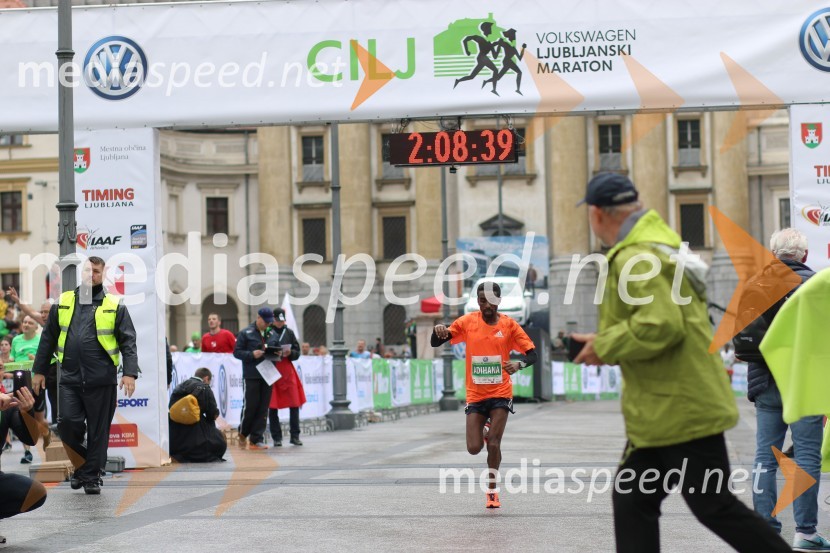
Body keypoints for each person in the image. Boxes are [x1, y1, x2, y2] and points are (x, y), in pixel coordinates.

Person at [570, 173, 789, 552]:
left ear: (597, 213)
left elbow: (662, 323)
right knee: (635, 499)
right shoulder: (660, 245)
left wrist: (606, 345)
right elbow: (669, 318)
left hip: (680, 407)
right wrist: (606, 341)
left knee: (710, 505)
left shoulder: (636, 255)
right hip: (667, 408)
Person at [738, 228, 829, 550]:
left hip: (766, 380)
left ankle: (764, 529)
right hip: (805, 382)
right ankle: (805, 532)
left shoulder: (756, 284)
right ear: (804, 255)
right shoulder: (817, 286)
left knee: (766, 455)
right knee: (806, 457)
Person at [32, 256, 140, 495]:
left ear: (104, 274)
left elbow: (128, 342)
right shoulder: (64, 301)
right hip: (70, 378)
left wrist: (130, 373)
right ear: (82, 273)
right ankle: (83, 468)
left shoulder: (114, 304)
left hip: (101, 380)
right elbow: (48, 338)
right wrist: (39, 370)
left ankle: (90, 477)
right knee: (68, 424)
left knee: (99, 431)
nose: (91, 276)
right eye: (88, 271)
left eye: (96, 272)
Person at [431, 281, 537, 510]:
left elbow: (532, 355)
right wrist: (437, 331)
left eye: (490, 301)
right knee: (473, 448)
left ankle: (492, 490)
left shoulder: (509, 325)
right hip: (476, 394)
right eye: (481, 301)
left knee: (495, 445)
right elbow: (437, 340)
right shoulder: (468, 321)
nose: (486, 305)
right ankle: (486, 432)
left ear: (498, 300)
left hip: (500, 392)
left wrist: (519, 364)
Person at [0, 388, 47, 544]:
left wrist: (27, 411)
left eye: (0, 368)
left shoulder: (6, 403)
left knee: (35, 492)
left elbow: (31, 439)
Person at [233, 307, 275, 450]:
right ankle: (243, 434)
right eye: (265, 322)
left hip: (268, 374)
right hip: (251, 375)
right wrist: (252, 354)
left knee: (263, 408)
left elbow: (275, 348)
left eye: (270, 322)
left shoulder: (271, 332)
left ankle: (257, 438)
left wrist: (278, 353)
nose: (267, 324)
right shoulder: (246, 333)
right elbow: (237, 352)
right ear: (258, 318)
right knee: (250, 406)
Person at [168, 367, 226, 463]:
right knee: (220, 441)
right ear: (206, 378)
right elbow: (212, 414)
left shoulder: (179, 386)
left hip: (175, 437)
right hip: (196, 439)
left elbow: (171, 407)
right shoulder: (205, 388)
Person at [266, 308, 305, 447]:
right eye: (278, 320)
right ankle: (277, 437)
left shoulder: (289, 332)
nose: (280, 323)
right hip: (273, 369)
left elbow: (297, 351)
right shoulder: (267, 332)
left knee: (294, 403)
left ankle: (295, 435)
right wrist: (276, 352)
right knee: (273, 406)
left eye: (282, 320)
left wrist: (291, 353)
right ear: (273, 320)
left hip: (287, 370)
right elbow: (264, 350)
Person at [10, 315, 44, 464]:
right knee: (23, 415)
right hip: (20, 381)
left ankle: (45, 446)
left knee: (38, 417)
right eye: (24, 321)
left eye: (30, 322)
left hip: (36, 382)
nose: (26, 324)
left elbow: (46, 359)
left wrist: (35, 359)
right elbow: (12, 357)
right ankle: (27, 451)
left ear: (36, 327)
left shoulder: (41, 340)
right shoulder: (16, 340)